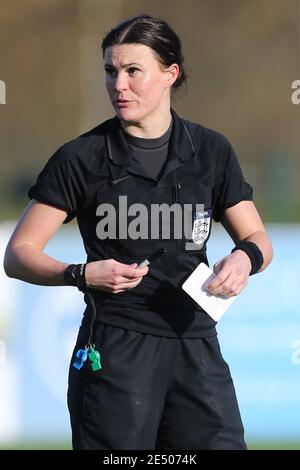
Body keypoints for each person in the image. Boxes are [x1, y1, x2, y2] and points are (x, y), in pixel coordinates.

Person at [4, 14, 273, 450]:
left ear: (171, 74)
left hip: (197, 344)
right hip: (115, 348)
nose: (118, 85)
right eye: (111, 71)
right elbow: (18, 253)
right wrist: (80, 274)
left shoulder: (210, 150)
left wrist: (245, 259)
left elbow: (258, 240)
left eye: (133, 71)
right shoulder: (81, 158)